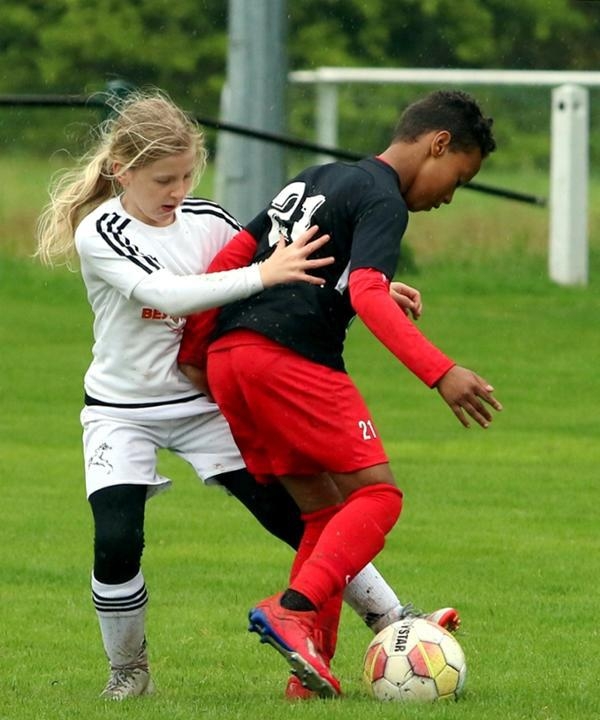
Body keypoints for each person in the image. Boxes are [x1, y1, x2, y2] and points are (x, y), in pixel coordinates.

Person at [34, 89, 454, 702]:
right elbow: (167, 293)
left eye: (185, 176)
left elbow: (296, 265)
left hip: (207, 401)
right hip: (122, 413)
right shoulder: (103, 230)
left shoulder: (207, 220)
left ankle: (394, 621)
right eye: (163, 180)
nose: (177, 191)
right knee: (117, 539)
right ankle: (129, 672)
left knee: (303, 517)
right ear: (122, 170)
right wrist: (263, 273)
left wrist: (372, 285)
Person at [177, 89, 503, 698]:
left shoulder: (318, 178)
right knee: (378, 496)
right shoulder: (384, 199)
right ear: (438, 144)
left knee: (324, 514)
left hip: (232, 361)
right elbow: (369, 296)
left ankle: (309, 673)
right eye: (457, 179)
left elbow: (235, 258)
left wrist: (197, 352)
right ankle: (293, 610)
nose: (449, 197)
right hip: (291, 360)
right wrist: (441, 371)